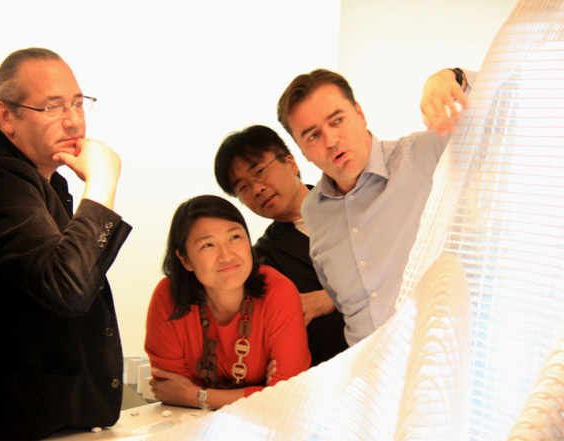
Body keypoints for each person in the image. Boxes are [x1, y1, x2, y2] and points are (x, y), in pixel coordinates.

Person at [0, 48, 131, 440]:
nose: (73, 120)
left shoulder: (45, 180)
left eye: (77, 103)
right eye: (52, 107)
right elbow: (68, 287)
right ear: (7, 116)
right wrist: (102, 182)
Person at [276, 67, 474, 346]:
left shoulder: (422, 155)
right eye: (313, 136)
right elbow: (345, 300)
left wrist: (451, 77)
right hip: (364, 364)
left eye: (337, 120)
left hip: (436, 354)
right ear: (302, 151)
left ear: (360, 114)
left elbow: (503, 108)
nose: (331, 141)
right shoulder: (313, 210)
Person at [145, 195, 310, 410]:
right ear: (185, 260)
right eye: (208, 245)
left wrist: (195, 395)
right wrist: (261, 394)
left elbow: (288, 396)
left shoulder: (278, 291)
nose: (226, 256)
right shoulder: (169, 297)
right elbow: (171, 390)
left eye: (234, 237)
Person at [214, 125, 348, 366]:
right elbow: (306, 333)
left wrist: (332, 298)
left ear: (290, 162)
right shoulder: (262, 261)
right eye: (243, 187)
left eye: (259, 171)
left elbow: (402, 267)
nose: (257, 189)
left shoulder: (352, 199)